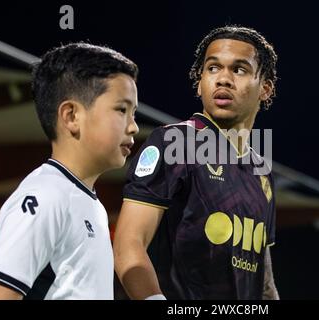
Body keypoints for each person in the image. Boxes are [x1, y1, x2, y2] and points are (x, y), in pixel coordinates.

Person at [114, 25, 279, 300]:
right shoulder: (174, 143)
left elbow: (264, 282)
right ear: (199, 81)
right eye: (213, 68)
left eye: (239, 70)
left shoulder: (262, 171)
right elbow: (128, 245)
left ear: (265, 88)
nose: (223, 79)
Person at [0, 42, 139, 299]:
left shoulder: (90, 204)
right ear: (71, 116)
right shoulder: (45, 196)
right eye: (121, 110)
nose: (134, 127)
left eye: (134, 113)